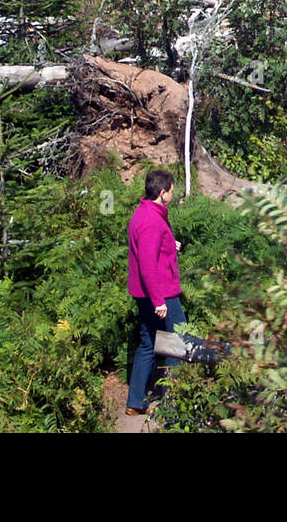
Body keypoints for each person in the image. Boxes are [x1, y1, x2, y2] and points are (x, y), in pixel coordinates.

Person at [125, 169, 184, 415]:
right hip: (160, 293)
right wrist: (159, 301)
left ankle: (136, 401)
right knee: (178, 342)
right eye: (171, 190)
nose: (173, 193)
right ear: (162, 193)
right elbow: (148, 265)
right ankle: (172, 401)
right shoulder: (151, 220)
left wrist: (171, 244)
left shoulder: (145, 212)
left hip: (146, 293)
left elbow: (153, 248)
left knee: (148, 343)